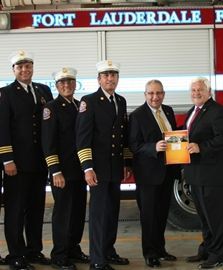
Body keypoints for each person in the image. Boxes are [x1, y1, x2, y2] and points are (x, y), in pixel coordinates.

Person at [0, 50, 53, 270]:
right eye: (20, 67)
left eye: (28, 66)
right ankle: (15, 255)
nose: (25, 70)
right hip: (17, 165)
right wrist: (7, 160)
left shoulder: (43, 91)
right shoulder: (5, 93)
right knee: (15, 210)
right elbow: (2, 128)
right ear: (13, 70)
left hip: (39, 163)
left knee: (36, 209)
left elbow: (49, 128)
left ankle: (34, 251)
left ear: (33, 68)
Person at [76, 60, 131, 270]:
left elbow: (122, 136)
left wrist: (126, 162)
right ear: (99, 79)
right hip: (97, 169)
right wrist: (87, 168)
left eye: (113, 75)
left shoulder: (121, 100)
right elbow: (82, 139)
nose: (110, 79)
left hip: (115, 168)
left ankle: (109, 251)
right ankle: (97, 260)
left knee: (112, 212)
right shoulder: (89, 102)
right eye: (106, 75)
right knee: (98, 215)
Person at [41, 67, 89, 270]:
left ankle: (73, 248)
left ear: (75, 84)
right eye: (62, 82)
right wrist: (55, 171)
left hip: (79, 170)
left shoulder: (80, 106)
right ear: (57, 86)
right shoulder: (51, 108)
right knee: (63, 213)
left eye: (70, 81)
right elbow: (48, 142)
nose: (67, 85)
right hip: (62, 172)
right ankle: (59, 255)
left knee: (78, 211)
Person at [129, 80, 179, 268]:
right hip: (148, 175)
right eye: (151, 93)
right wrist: (153, 147)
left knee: (161, 214)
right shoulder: (137, 116)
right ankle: (150, 254)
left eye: (158, 93)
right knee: (149, 216)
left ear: (163, 94)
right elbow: (134, 145)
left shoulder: (168, 111)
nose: (155, 97)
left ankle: (160, 249)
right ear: (145, 95)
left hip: (167, 172)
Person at [184, 77, 223, 269]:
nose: (196, 93)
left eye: (200, 90)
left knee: (217, 218)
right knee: (205, 217)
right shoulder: (194, 111)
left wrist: (201, 147)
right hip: (197, 174)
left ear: (209, 91)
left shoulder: (217, 111)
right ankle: (207, 249)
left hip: (215, 176)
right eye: (194, 90)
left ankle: (219, 255)